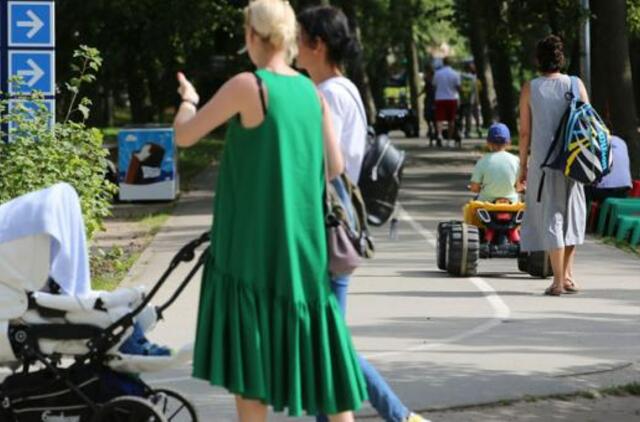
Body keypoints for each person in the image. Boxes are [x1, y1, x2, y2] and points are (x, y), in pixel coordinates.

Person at [172, 0, 367, 420]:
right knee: (323, 362)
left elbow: (186, 136)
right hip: (302, 248)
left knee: (251, 365)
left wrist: (188, 101)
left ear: (251, 36)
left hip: (250, 247)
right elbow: (334, 166)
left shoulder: (249, 86)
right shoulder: (310, 93)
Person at [296, 6, 429, 422]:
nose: (294, 46)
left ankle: (401, 415)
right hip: (337, 226)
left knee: (329, 345)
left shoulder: (329, 95)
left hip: (327, 229)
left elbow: (321, 165)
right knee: (324, 344)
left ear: (317, 45)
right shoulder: (343, 88)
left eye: (299, 38)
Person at [518, 35, 589, 296]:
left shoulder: (530, 88)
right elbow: (588, 122)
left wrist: (522, 166)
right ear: (561, 59)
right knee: (572, 216)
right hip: (574, 162)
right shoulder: (575, 83)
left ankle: (558, 281)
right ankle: (568, 276)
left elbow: (524, 132)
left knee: (552, 218)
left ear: (538, 60)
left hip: (544, 164)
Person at [469, 123, 520, 203]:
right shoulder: (516, 160)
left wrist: (478, 188)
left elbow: (474, 187)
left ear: (488, 143)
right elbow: (519, 185)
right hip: (511, 202)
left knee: (470, 209)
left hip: (486, 202)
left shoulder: (483, 161)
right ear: (509, 142)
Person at [584, 133, 632, 203]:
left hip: (604, 191)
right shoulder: (621, 142)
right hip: (624, 190)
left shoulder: (596, 141)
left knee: (583, 188)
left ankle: (583, 213)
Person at [432, 56, 461, 147]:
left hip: (440, 98)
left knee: (439, 119)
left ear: (443, 63)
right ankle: (449, 139)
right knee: (451, 120)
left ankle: (440, 135)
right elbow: (458, 87)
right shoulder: (455, 74)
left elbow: (434, 85)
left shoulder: (437, 73)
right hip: (452, 98)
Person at [459, 62, 481, 139]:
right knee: (475, 115)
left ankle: (463, 131)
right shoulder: (474, 78)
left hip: (464, 99)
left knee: (465, 116)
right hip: (473, 99)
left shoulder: (461, 76)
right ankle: (477, 129)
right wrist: (478, 100)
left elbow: (459, 88)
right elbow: (477, 89)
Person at [421, 65, 437, 145]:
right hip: (435, 100)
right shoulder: (435, 78)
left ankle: (431, 134)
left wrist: (418, 95)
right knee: (434, 120)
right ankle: (436, 136)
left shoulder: (427, 79)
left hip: (429, 101)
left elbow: (424, 89)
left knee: (428, 119)